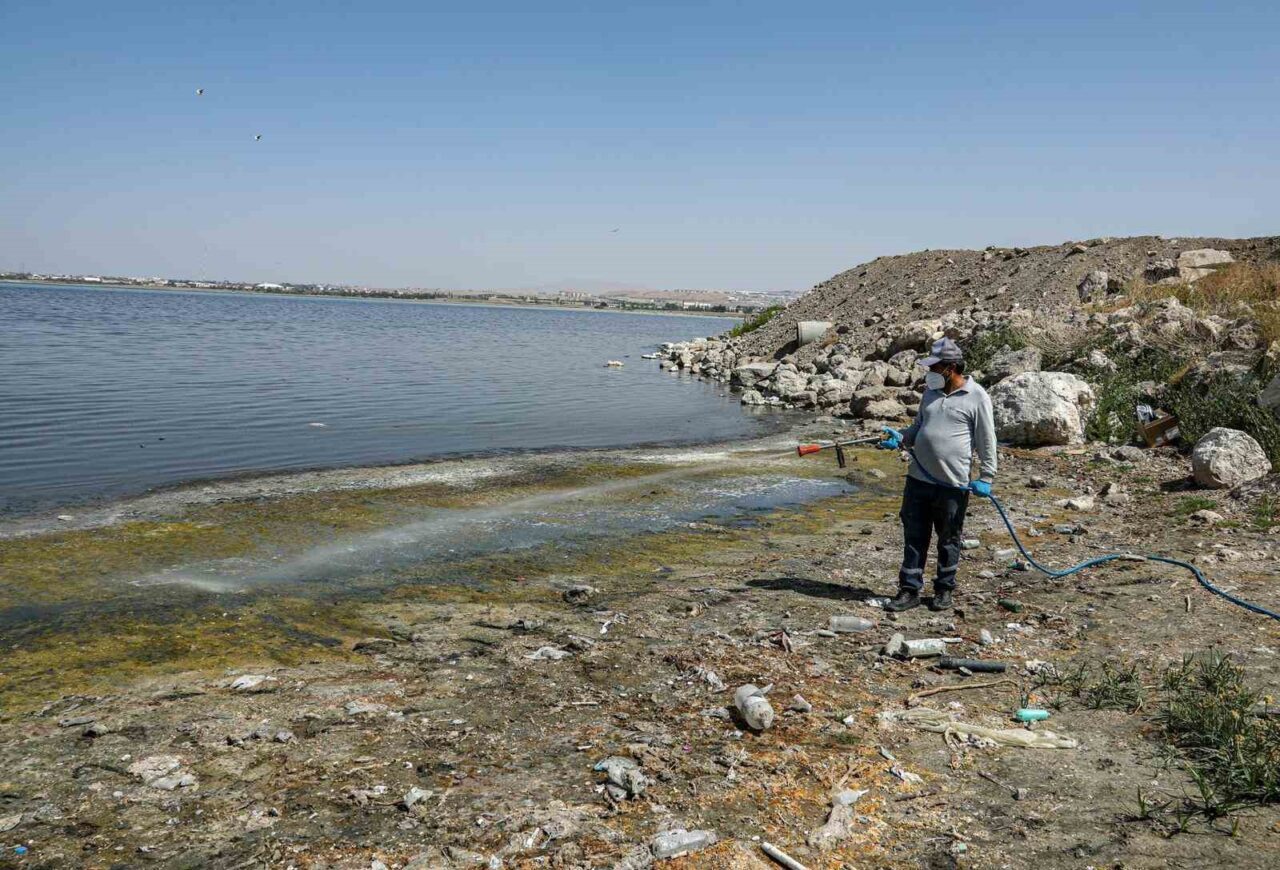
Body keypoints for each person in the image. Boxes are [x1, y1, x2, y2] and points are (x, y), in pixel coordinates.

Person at [876, 337, 997, 612]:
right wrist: (902, 438)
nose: (930, 372)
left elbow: (987, 440)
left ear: (951, 367)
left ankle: (944, 589)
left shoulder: (977, 397)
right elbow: (919, 426)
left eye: (935, 367)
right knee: (914, 536)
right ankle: (909, 590)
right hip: (918, 479)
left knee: (949, 538)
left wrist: (986, 477)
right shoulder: (930, 394)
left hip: (952, 484)